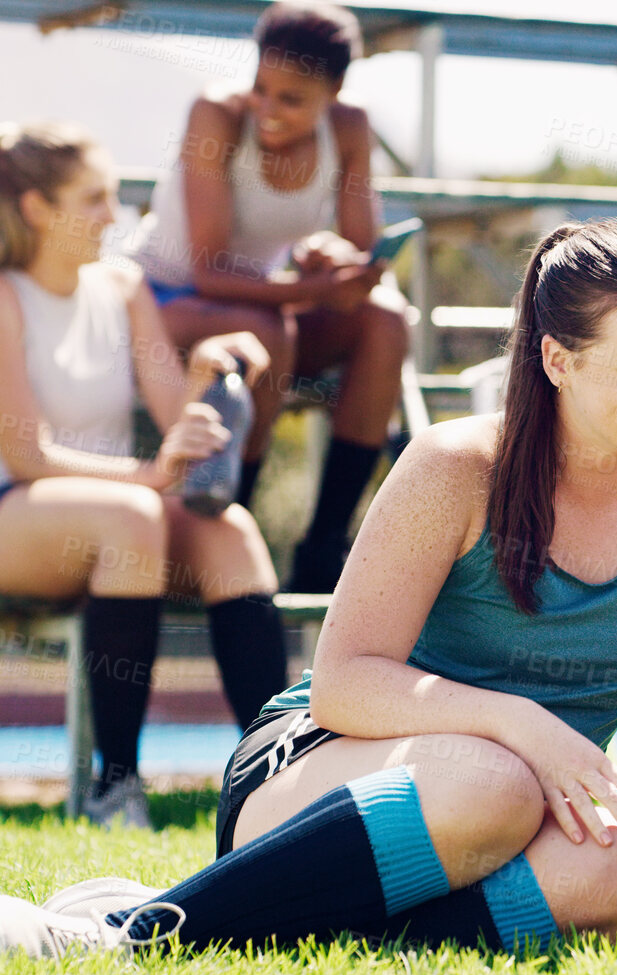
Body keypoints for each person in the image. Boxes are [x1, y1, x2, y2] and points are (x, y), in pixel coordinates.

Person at [0, 219, 617, 957]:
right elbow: (343, 683)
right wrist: (521, 725)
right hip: (325, 775)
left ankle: (263, 923)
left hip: (514, 815)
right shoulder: (453, 465)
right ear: (556, 360)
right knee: (489, 780)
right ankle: (134, 933)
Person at [0, 122, 287, 829]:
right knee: (135, 519)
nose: (112, 216)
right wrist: (153, 475)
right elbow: (28, 458)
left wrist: (212, 368)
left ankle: (274, 781)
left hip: (117, 516)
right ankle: (115, 787)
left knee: (231, 533)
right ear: (35, 208)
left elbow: (175, 412)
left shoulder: (122, 286)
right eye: (93, 198)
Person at [125, 0, 410, 593]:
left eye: (291, 99)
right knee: (265, 331)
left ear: (333, 92)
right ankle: (229, 529)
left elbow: (360, 251)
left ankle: (325, 546)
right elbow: (207, 273)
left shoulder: (350, 128)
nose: (268, 110)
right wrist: (318, 285)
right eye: (261, 87)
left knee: (385, 321)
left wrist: (330, 257)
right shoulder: (215, 113)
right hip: (164, 302)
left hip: (259, 303)